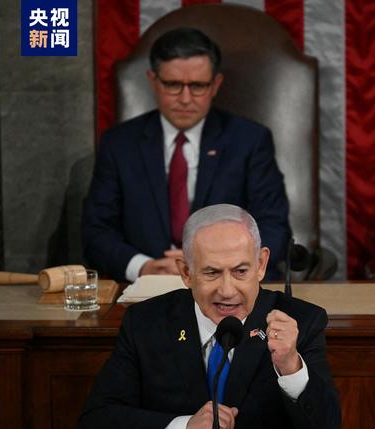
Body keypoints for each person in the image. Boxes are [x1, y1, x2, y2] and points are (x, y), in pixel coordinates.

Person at [79, 204, 341, 429]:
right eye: (212, 272)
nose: (227, 291)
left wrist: (291, 367)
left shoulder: (301, 321)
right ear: (186, 272)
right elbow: (97, 420)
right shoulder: (146, 323)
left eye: (240, 271)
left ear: (261, 265)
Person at [82, 27, 290, 282]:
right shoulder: (120, 144)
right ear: (152, 80)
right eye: (172, 85)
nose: (185, 98)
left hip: (229, 284)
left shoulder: (250, 141)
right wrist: (144, 267)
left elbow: (274, 227)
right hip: (147, 287)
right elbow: (96, 231)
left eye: (198, 86)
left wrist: (214, 266)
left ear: (216, 85)